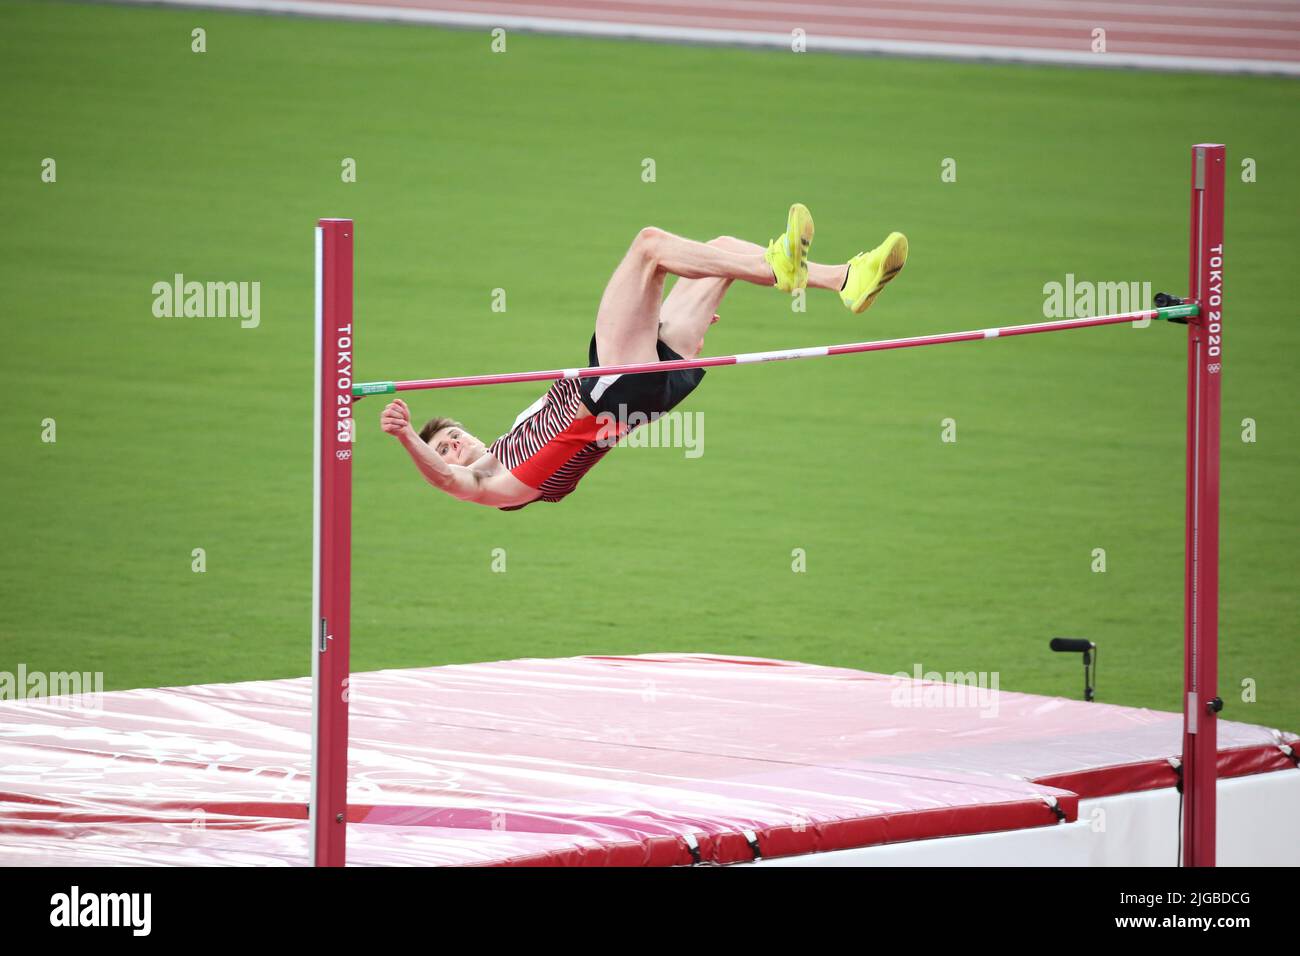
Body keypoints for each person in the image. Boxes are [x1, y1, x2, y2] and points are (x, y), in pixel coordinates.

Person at [379, 205, 907, 510]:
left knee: (720, 249)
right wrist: (408, 438)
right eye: (445, 448)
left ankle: (844, 278)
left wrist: (652, 337)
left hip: (642, 380)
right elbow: (447, 480)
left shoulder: (512, 438)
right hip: (615, 389)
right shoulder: (491, 485)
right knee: (650, 246)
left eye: (453, 435)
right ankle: (781, 270)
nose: (453, 446)